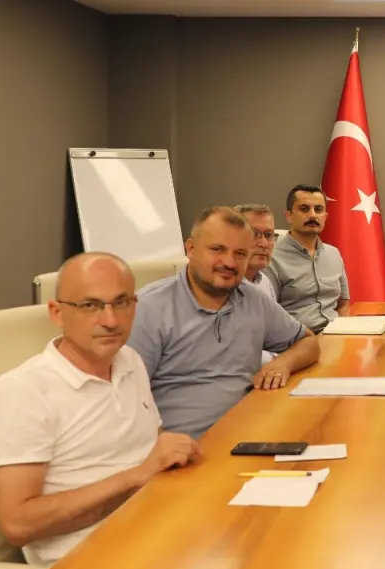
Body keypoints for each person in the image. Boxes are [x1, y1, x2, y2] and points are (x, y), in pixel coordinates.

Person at [0, 253, 200, 566]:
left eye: (121, 302)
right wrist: (138, 476)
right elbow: (18, 525)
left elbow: (151, 450)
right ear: (57, 313)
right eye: (90, 305)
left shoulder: (129, 361)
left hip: (159, 531)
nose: (111, 320)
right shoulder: (21, 392)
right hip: (89, 566)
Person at [129, 207, 321, 439]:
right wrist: (160, 449)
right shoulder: (148, 308)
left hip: (252, 433)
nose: (229, 262)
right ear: (190, 249)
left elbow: (308, 342)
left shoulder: (252, 298)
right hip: (185, 446)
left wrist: (283, 364)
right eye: (217, 249)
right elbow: (124, 399)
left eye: (240, 253)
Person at [265, 185, 350, 333]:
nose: (312, 215)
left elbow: (343, 304)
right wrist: (311, 341)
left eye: (318, 209)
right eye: (304, 209)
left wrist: (342, 333)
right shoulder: (272, 257)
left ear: (325, 217)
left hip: (335, 334)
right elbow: (269, 314)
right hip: (296, 339)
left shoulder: (333, 253)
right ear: (288, 216)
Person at [235, 203, 277, 300]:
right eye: (254, 234)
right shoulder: (220, 285)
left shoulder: (264, 283)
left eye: (268, 235)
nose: (264, 244)